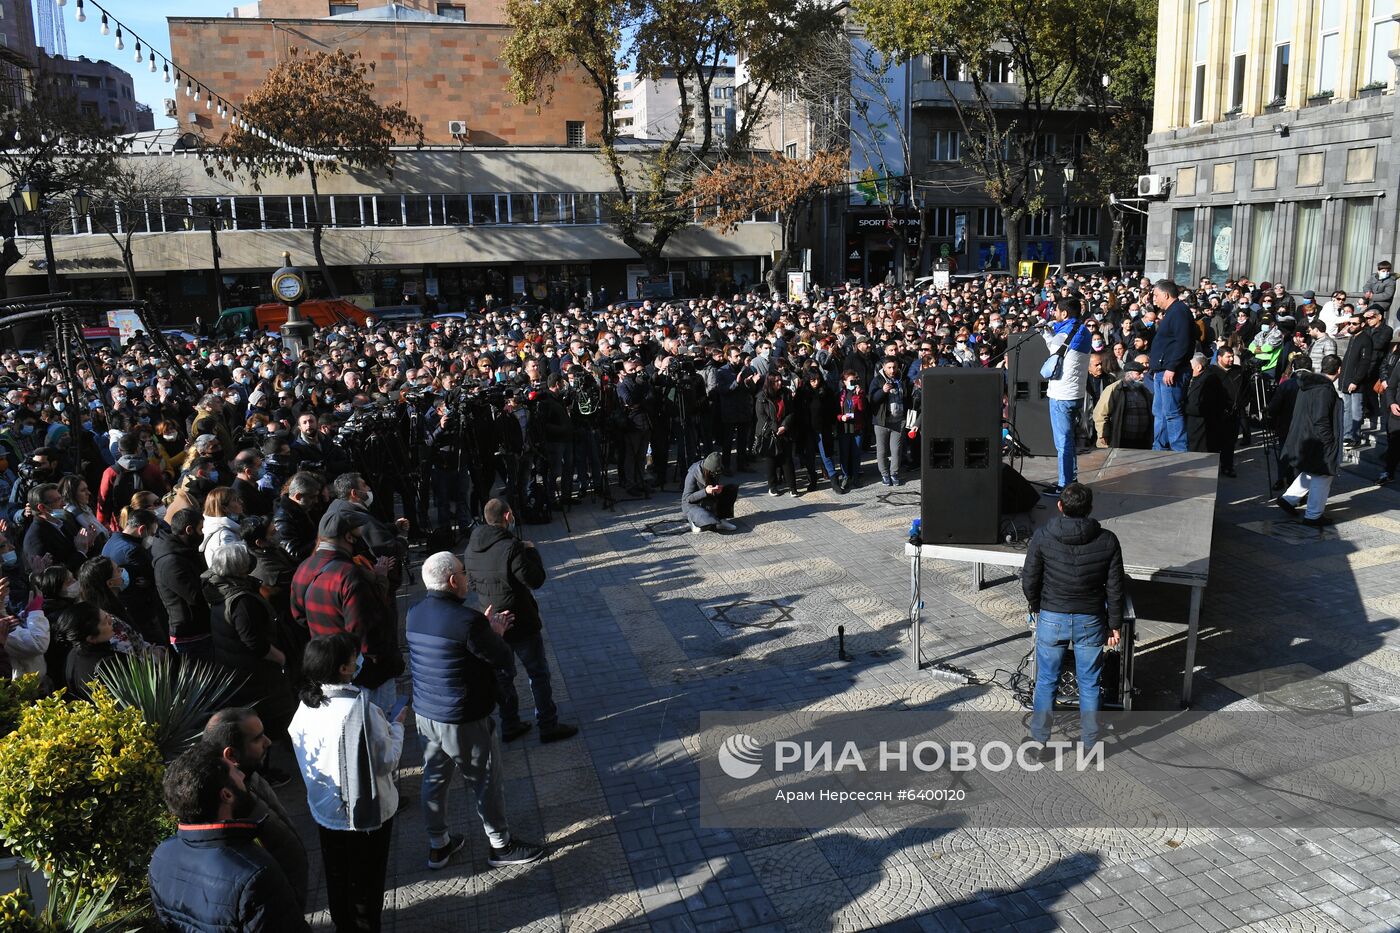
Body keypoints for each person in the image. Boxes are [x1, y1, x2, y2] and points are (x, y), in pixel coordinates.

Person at [405, 552, 546, 871]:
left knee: (435, 777)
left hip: (426, 713)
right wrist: (493, 632)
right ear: (453, 581)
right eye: (463, 573)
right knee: (485, 780)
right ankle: (501, 846)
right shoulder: (468, 621)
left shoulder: (413, 613)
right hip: (463, 717)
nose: (467, 578)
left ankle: (438, 845)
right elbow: (501, 660)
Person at [149, 742, 309, 933]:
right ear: (226, 794)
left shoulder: (161, 857)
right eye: (235, 771)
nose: (242, 775)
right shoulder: (254, 873)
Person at [462, 498, 577, 744]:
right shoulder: (511, 548)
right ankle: (547, 724)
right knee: (537, 673)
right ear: (507, 516)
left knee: (503, 676)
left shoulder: (471, 548)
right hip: (520, 621)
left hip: (493, 622)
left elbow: (471, 584)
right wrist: (532, 551)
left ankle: (510, 723)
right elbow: (535, 579)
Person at [1021, 482, 1126, 754]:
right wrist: (1114, 624)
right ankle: (1091, 745)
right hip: (1090, 619)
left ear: (1060, 506)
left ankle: (1039, 742)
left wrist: (1035, 605)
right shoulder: (1108, 540)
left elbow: (1029, 578)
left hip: (1052, 616)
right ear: (1090, 509)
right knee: (1090, 683)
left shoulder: (1043, 535)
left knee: (1046, 680)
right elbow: (1115, 587)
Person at [289, 509, 402, 713]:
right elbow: (364, 631)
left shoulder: (303, 568)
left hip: (329, 669)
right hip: (364, 675)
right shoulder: (350, 575)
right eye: (357, 537)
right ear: (348, 537)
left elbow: (299, 617)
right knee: (380, 731)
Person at [202, 706, 309, 909]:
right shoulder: (228, 807)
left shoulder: (251, 776)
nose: (268, 742)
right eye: (258, 738)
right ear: (231, 755)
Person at [1276, 353, 1345, 527]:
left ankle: (1288, 499)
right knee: (1323, 475)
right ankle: (1313, 515)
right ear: (1339, 370)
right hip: (1317, 440)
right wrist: (1329, 441)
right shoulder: (1324, 389)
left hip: (1305, 436)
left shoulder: (1309, 385)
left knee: (1311, 470)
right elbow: (1321, 419)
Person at [1042, 295, 1093, 493]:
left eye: (1056, 310)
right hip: (1076, 394)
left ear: (1064, 313)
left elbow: (1054, 354)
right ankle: (1070, 479)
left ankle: (1065, 486)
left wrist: (1046, 334)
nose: (1054, 314)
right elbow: (1060, 352)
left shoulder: (1064, 334)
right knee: (1068, 440)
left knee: (1063, 443)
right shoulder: (1083, 331)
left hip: (1061, 395)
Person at [153, 507, 213, 662]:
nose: (203, 533)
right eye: (200, 529)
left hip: (199, 629)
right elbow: (195, 595)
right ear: (189, 530)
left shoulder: (183, 552)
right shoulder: (172, 562)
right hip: (191, 636)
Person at [1149, 279, 1194, 451]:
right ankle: (1158, 448)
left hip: (1172, 372)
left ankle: (1179, 452)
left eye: (1156, 295)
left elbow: (1183, 342)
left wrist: (1171, 367)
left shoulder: (1179, 312)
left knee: (1172, 413)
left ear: (1166, 295)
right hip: (1161, 371)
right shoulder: (1173, 312)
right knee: (1159, 412)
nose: (1154, 299)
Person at [1093, 360, 1154, 450]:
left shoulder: (1145, 391)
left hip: (1141, 441)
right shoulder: (1114, 389)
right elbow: (1100, 413)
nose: (1142, 376)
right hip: (1121, 440)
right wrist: (1103, 434)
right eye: (1138, 373)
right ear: (1128, 374)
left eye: (1142, 374)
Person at [754, 372, 798, 496]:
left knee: (787, 460)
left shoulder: (786, 393)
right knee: (771, 461)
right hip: (769, 433)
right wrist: (775, 427)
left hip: (785, 431)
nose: (779, 383)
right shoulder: (762, 397)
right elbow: (761, 416)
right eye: (775, 381)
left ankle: (792, 487)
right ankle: (772, 486)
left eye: (780, 380)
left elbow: (791, 412)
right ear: (770, 383)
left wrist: (784, 426)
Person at [867, 358, 910, 487]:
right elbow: (872, 400)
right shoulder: (877, 380)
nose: (892, 370)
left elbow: (907, 398)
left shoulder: (901, 379)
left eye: (894, 367)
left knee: (896, 450)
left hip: (898, 420)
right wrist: (883, 391)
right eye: (889, 367)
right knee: (882, 450)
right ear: (884, 367)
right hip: (882, 421)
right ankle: (885, 474)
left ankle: (894, 473)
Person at [1339, 312, 1374, 448]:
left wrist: (1356, 381)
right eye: (1349, 323)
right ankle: (1347, 435)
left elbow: (1365, 363)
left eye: (1354, 323)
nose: (1351, 326)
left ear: (1362, 324)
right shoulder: (1353, 338)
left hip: (1355, 383)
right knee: (1347, 409)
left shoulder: (1365, 339)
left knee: (1356, 410)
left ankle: (1355, 437)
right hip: (1346, 380)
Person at [681, 452, 738, 534]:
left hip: (708, 500)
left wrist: (716, 491)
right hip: (693, 505)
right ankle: (693, 521)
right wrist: (705, 492)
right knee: (707, 521)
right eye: (714, 473)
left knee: (730, 490)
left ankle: (721, 520)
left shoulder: (715, 471)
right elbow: (688, 498)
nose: (716, 475)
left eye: (717, 473)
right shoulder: (693, 473)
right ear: (708, 470)